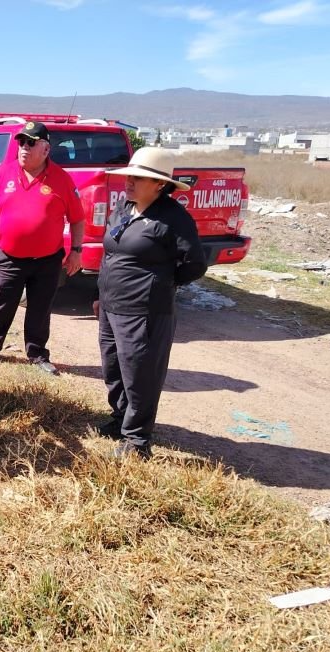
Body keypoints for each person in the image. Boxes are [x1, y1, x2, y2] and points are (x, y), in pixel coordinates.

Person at [92, 147, 207, 458]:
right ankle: (119, 420)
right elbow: (111, 255)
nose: (130, 181)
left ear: (159, 184)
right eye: (130, 175)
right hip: (111, 307)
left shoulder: (173, 218)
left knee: (140, 374)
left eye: (139, 177)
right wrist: (101, 296)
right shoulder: (124, 209)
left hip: (145, 312)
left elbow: (195, 264)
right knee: (114, 368)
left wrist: (158, 285)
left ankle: (137, 440)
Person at [0, 121, 86, 376]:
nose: (24, 147)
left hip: (47, 260)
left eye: (31, 143)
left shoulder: (61, 179)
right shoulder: (5, 174)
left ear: (45, 149)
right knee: (1, 304)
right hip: (8, 257)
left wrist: (76, 250)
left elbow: (78, 218)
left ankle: (36, 354)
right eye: (21, 142)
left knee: (40, 308)